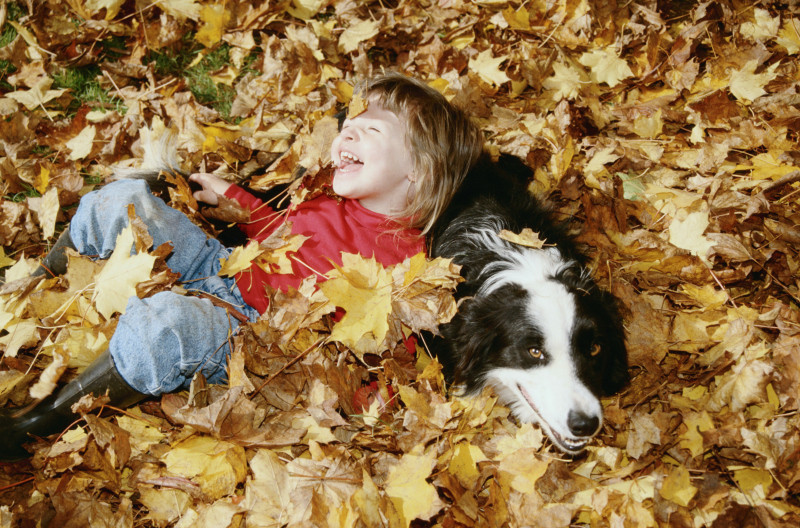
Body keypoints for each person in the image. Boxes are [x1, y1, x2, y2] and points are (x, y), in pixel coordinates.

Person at [0, 73, 484, 461]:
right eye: (349, 124)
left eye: (370, 129)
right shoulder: (329, 195)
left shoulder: (407, 262)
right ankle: (33, 282)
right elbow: (282, 236)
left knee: (165, 325)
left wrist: (365, 409)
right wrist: (234, 199)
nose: (348, 131)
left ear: (419, 170)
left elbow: (384, 348)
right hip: (224, 266)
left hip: (250, 335)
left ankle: (35, 425)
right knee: (125, 202)